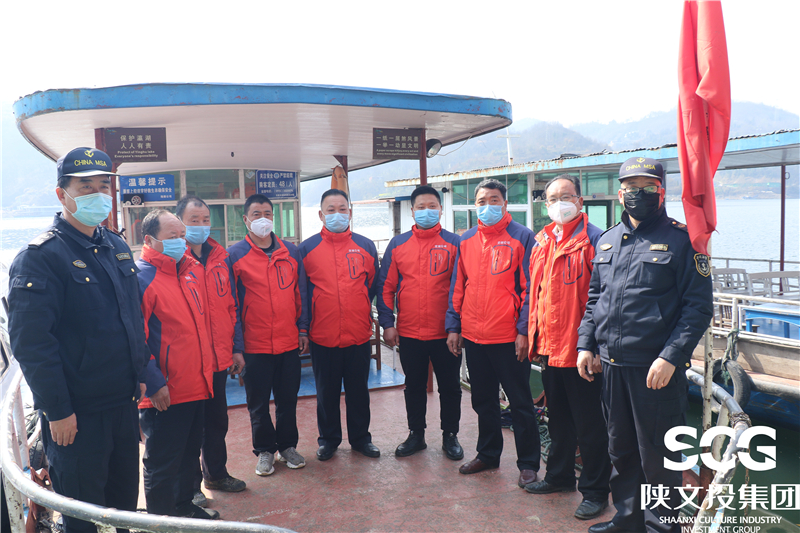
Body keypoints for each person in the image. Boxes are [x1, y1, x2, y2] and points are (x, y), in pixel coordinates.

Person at [7, 147, 148, 533]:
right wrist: (57, 411)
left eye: (104, 186)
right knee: (83, 515)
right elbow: (33, 344)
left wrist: (138, 376)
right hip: (77, 416)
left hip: (122, 404)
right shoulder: (40, 258)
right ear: (61, 194)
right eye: (85, 187)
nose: (98, 194)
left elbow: (131, 319)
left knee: (122, 507)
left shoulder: (116, 247)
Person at [577, 157, 713, 533]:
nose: (639, 194)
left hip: (656, 370)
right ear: (620, 194)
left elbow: (698, 308)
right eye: (631, 187)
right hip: (611, 366)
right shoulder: (606, 240)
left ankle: (661, 528)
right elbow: (595, 300)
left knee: (659, 457)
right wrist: (585, 344)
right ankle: (628, 521)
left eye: (648, 187)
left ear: (661, 192)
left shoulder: (684, 240)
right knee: (621, 451)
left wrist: (671, 356)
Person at [524, 174, 612, 520]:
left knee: (590, 426)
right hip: (548, 348)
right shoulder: (542, 241)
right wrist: (532, 338)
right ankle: (559, 476)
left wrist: (595, 347)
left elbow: (604, 300)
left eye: (566, 196)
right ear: (545, 204)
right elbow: (536, 295)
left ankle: (595, 491)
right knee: (557, 420)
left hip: (581, 352)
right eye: (552, 199)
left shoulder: (596, 240)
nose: (559, 204)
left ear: (579, 201)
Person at [445, 178, 541, 489]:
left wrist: (523, 331)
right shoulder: (466, 240)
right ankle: (488, 454)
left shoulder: (522, 237)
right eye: (482, 201)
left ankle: (528, 464)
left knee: (520, 403)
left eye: (494, 200)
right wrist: (454, 326)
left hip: (508, 337)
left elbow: (530, 290)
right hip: (474, 336)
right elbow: (458, 286)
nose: (488, 206)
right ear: (475, 206)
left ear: (505, 203)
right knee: (483, 401)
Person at [137, 209, 218, 520]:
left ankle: (185, 506)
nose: (181, 242)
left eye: (182, 236)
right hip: (165, 391)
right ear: (149, 240)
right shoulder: (142, 278)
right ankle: (162, 520)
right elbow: (138, 339)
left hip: (195, 384)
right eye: (173, 237)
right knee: (162, 461)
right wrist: (154, 383)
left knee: (188, 453)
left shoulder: (187, 272)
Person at [376, 185, 464, 460]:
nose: (427, 211)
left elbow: (462, 288)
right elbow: (385, 287)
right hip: (410, 332)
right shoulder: (398, 245)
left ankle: (450, 435)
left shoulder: (455, 243)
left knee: (450, 387)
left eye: (432, 206)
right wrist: (388, 323)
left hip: (446, 334)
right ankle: (416, 435)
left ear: (441, 209)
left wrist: (456, 327)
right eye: (421, 207)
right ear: (412, 211)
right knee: (413, 386)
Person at [227, 194, 308, 476]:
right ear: (245, 219)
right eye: (256, 214)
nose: (263, 219)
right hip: (254, 344)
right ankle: (264, 450)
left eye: (267, 214)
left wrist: (302, 329)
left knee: (288, 400)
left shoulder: (291, 252)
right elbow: (232, 305)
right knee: (258, 403)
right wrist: (237, 346)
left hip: (287, 342)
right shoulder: (235, 255)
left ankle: (287, 447)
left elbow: (300, 294)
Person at [298, 189, 380, 461]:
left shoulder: (366, 246)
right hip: (323, 335)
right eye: (330, 210)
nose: (337, 214)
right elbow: (302, 293)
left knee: (359, 392)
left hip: (358, 334)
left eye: (342, 209)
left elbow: (372, 286)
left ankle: (361, 439)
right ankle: (328, 440)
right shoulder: (306, 249)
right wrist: (304, 329)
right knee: (326, 393)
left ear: (350, 212)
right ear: (321, 215)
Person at [176, 196, 246, 504]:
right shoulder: (174, 259)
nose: (202, 225)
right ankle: (191, 487)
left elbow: (231, 306)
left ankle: (216, 474)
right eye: (194, 220)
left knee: (217, 421)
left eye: (206, 220)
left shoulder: (221, 257)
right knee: (191, 427)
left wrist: (236, 348)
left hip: (218, 358)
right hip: (190, 362)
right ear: (180, 223)